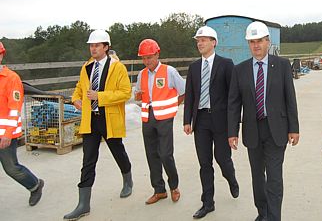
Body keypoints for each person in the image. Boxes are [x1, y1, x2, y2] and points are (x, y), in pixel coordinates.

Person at [228, 21, 300, 221]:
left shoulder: (283, 66)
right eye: (252, 42)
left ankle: (274, 217)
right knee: (258, 178)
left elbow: (290, 98)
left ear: (268, 41)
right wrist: (232, 132)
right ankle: (263, 213)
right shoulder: (239, 70)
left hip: (276, 129)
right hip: (253, 131)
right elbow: (234, 104)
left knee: (274, 178)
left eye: (260, 40)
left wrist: (294, 128)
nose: (256, 45)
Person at [64, 30, 133, 220]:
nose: (93, 48)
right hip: (90, 120)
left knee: (118, 151)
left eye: (96, 45)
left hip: (108, 118)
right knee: (88, 160)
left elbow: (126, 93)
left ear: (106, 47)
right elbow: (79, 88)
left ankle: (127, 178)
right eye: (91, 45)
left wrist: (99, 97)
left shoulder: (117, 67)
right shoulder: (86, 67)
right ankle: (83, 204)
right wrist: (75, 98)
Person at [184, 26, 239, 219]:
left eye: (204, 40)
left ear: (214, 42)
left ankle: (231, 179)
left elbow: (233, 97)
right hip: (201, 121)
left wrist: (234, 127)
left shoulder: (226, 64)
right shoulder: (193, 67)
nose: (200, 43)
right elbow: (190, 95)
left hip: (221, 121)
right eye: (198, 40)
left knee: (222, 159)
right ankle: (208, 203)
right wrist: (187, 120)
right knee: (204, 163)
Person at [134, 39, 185, 205]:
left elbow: (184, 91)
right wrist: (137, 96)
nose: (147, 61)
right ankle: (159, 190)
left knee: (165, 154)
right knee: (152, 155)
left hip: (164, 119)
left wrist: (173, 106)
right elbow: (137, 96)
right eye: (144, 58)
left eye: (149, 57)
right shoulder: (141, 74)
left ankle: (174, 186)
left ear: (157, 54)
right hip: (147, 118)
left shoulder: (169, 71)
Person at [0, 41, 44, 206]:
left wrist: (7, 133)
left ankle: (35, 185)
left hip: (6, 134)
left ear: (1, 55)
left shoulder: (11, 79)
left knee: (11, 168)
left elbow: (14, 108)